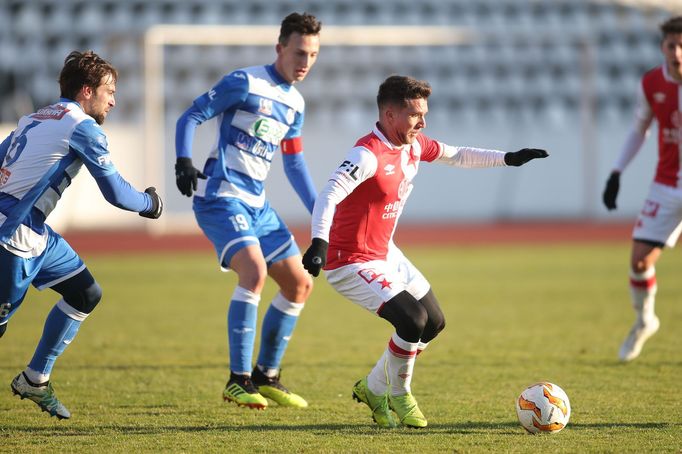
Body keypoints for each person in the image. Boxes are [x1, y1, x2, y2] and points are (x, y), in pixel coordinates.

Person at [302, 75, 548, 428]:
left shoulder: (413, 145)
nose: (423, 122)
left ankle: (373, 387)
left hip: (385, 253)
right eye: (416, 114)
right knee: (411, 320)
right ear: (390, 115)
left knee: (433, 322)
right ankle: (400, 394)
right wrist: (319, 242)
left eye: (424, 114)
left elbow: (458, 154)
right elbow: (329, 194)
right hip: (349, 260)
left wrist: (508, 158)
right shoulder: (367, 153)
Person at [0, 50, 163, 419]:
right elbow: (117, 194)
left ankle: (35, 379)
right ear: (87, 91)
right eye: (110, 91)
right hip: (13, 237)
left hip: (35, 232)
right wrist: (151, 203)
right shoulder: (82, 127)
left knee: (85, 292)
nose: (114, 100)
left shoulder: (34, 117)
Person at [174, 12, 320, 410]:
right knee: (254, 272)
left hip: (258, 205)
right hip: (220, 197)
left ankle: (266, 375)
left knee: (299, 284)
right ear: (280, 48)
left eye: (313, 55)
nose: (305, 62)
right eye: (299, 52)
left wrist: (319, 214)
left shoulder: (295, 103)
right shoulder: (245, 82)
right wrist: (183, 160)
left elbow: (294, 164)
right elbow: (192, 115)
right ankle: (237, 380)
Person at [602, 16, 682, 362]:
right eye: (671, 45)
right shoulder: (651, 82)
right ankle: (645, 320)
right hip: (665, 184)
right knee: (639, 261)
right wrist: (617, 171)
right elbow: (640, 129)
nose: (677, 52)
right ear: (663, 47)